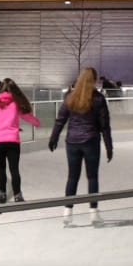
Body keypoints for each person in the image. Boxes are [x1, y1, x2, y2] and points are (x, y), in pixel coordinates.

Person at [48, 67, 114, 224]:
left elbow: (60, 119)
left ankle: (67, 213)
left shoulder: (70, 97)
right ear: (95, 80)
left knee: (72, 176)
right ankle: (93, 213)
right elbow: (104, 125)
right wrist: (109, 146)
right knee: (92, 177)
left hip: (72, 142)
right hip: (91, 142)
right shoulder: (98, 99)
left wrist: (54, 137)